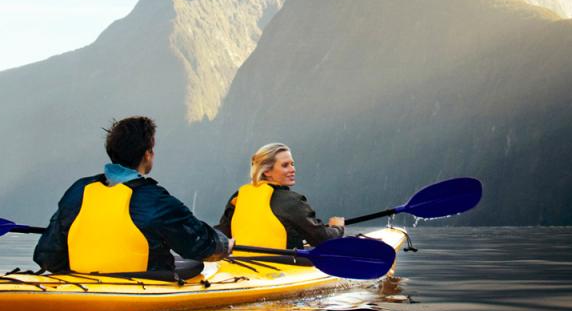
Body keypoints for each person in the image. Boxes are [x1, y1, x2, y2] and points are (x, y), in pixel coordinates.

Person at [33, 116, 231, 277]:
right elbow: (201, 246)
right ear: (147, 154)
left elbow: (47, 256)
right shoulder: (155, 200)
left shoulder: (78, 191)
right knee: (194, 265)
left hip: (81, 282)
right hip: (144, 284)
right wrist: (226, 244)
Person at [216, 143, 345, 250]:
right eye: (285, 165)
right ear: (267, 171)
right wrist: (337, 228)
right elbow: (322, 239)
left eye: (292, 164)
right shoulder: (292, 201)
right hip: (283, 268)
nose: (292, 169)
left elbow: (222, 233)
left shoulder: (239, 196)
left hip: (242, 267)